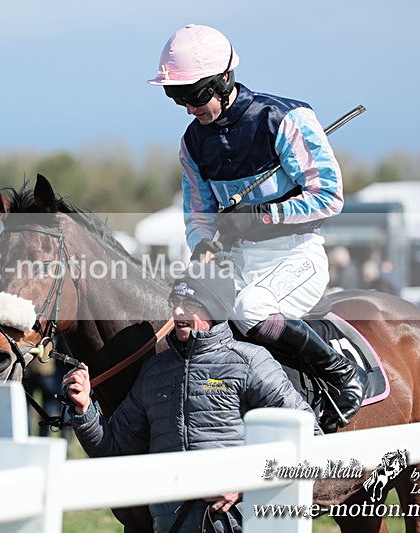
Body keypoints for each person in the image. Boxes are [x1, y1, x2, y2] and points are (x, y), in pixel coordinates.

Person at [148, 23, 365, 430]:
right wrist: (203, 244)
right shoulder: (192, 143)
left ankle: (340, 373)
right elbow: (198, 214)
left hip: (295, 255)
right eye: (176, 97)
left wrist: (259, 217)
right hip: (237, 264)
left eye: (194, 96)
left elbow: (329, 196)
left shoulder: (286, 118)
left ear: (224, 79)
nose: (189, 108)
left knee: (251, 310)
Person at [64, 262, 322, 533]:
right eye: (175, 301)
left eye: (189, 303)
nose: (177, 311)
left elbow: (308, 437)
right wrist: (84, 410)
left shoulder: (251, 362)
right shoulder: (153, 371)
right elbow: (114, 449)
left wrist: (245, 484)